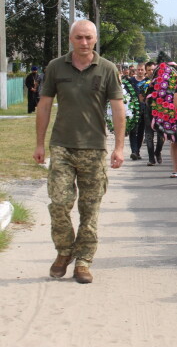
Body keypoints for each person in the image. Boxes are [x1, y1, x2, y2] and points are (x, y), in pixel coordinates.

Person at [33, 19, 125, 284]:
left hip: (94, 149)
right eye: (79, 38)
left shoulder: (107, 69)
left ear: (95, 39)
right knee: (59, 203)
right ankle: (64, 251)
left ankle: (83, 261)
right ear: (70, 39)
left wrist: (118, 147)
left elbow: (118, 109)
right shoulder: (55, 67)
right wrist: (40, 143)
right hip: (61, 146)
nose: (84, 43)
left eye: (88, 38)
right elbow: (44, 105)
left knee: (90, 208)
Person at [143, 61, 164, 166]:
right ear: (146, 72)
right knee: (149, 135)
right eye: (149, 70)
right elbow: (141, 98)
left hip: (160, 112)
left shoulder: (163, 82)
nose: (151, 72)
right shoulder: (144, 83)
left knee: (161, 136)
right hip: (148, 111)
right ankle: (151, 158)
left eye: (153, 69)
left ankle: (158, 151)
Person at [127, 63, 146, 160]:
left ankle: (137, 151)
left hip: (144, 110)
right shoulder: (130, 81)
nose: (140, 71)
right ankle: (133, 151)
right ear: (136, 70)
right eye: (138, 69)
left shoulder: (148, 82)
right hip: (133, 110)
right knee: (133, 131)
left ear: (145, 70)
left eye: (142, 69)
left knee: (141, 131)